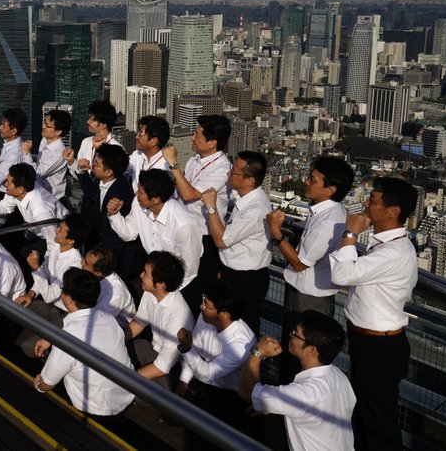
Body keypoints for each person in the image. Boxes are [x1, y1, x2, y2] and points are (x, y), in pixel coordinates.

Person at [330, 177, 418, 451]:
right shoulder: (387, 245)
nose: (367, 203)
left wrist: (350, 233)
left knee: (378, 421)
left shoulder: (393, 252)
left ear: (394, 212)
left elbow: (341, 274)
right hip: (370, 341)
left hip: (379, 346)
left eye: (374, 200)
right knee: (367, 412)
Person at [268, 155, 354, 381]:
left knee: (301, 358)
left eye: (313, 179)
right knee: (295, 352)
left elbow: (299, 263)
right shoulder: (326, 212)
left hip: (309, 297)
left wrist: (276, 232)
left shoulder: (328, 221)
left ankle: (289, 405)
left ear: (330, 189)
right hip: (307, 294)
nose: (306, 182)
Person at [238, 310, 356, 451]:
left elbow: (245, 392)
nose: (291, 335)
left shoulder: (302, 394)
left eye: (295, 333)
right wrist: (273, 405)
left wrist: (259, 352)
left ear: (311, 350)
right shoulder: (339, 376)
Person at [33, 268, 135, 418]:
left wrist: (37, 384)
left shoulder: (69, 339)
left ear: (68, 299)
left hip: (97, 408)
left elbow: (46, 384)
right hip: (125, 393)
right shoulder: (107, 318)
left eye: (62, 289)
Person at [176, 279, 257, 444]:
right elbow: (196, 350)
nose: (201, 307)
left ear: (224, 314)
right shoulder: (205, 318)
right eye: (203, 301)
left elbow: (206, 373)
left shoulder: (241, 344)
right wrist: (183, 381)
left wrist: (186, 349)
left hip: (231, 395)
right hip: (204, 382)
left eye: (207, 305)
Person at [106, 169, 202, 307]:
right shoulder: (139, 205)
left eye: (141, 192)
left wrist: (165, 294)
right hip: (152, 281)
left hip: (177, 289)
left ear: (156, 199)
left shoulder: (184, 225)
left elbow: (189, 271)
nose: (136, 194)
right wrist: (114, 215)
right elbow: (128, 234)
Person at [201, 151, 272, 337]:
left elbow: (221, 240)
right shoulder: (245, 200)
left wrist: (211, 207)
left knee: (244, 326)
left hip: (247, 279)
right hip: (231, 272)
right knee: (226, 324)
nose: (228, 175)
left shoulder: (256, 209)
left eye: (234, 172)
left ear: (250, 180)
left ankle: (247, 363)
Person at [163, 114, 232, 292]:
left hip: (204, 236)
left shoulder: (222, 168)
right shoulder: (195, 159)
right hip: (183, 229)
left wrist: (173, 163)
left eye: (197, 134)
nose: (193, 138)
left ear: (212, 143)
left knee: (196, 287)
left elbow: (188, 194)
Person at [15, 213, 88, 356]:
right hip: (49, 305)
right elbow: (45, 273)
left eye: (60, 229)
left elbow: (49, 296)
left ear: (71, 240)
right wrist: (31, 293)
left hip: (62, 315)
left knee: (27, 347)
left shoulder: (73, 265)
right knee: (14, 308)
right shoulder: (56, 246)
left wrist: (35, 268)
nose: (56, 230)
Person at [126, 251, 195, 390]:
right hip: (152, 349)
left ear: (161, 284)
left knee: (137, 390)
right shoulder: (149, 291)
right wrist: (115, 340)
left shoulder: (178, 317)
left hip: (173, 367)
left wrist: (128, 380)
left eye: (145, 273)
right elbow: (139, 323)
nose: (141, 275)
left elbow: (162, 367)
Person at [77, 144, 140, 279]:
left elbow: (119, 233)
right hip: (97, 249)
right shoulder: (103, 180)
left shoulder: (122, 194)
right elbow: (91, 191)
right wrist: (81, 172)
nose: (93, 165)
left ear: (109, 171)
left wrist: (103, 259)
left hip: (113, 257)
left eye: (97, 164)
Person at [0, 163, 68, 246]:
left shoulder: (40, 211)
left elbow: (55, 243)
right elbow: (4, 206)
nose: (5, 184)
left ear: (21, 189)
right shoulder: (19, 190)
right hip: (36, 230)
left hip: (59, 236)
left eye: (9, 182)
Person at [64, 100, 124, 179]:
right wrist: (71, 162)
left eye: (92, 119)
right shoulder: (86, 142)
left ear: (103, 124)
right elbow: (79, 176)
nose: (88, 121)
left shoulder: (117, 148)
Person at [82, 245, 136, 328]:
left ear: (98, 273)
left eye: (86, 263)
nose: (81, 263)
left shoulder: (115, 293)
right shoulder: (95, 276)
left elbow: (97, 320)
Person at [24, 108, 70, 204]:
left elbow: (37, 173)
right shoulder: (44, 140)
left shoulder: (59, 153)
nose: (43, 126)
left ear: (58, 132)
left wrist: (26, 153)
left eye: (47, 126)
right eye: (44, 123)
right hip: (39, 194)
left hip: (52, 199)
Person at [0, 107, 29, 194]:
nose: (0, 127)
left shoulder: (13, 154)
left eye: (3, 125)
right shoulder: (11, 143)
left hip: (4, 194)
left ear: (13, 131)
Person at [127, 115, 171, 192]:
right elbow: (122, 167)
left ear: (153, 141)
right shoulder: (138, 154)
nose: (136, 137)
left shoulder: (166, 166)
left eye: (140, 134)